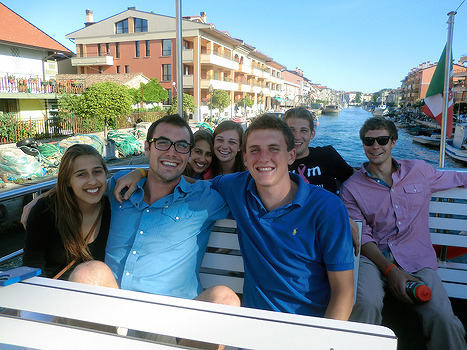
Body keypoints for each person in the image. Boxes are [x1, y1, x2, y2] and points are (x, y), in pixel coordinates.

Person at [116, 114, 354, 320]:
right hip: (251, 326)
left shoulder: (327, 208)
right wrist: (142, 172)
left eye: (274, 149)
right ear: (245, 158)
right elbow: (187, 181)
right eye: (254, 150)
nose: (263, 158)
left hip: (308, 329)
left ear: (291, 156)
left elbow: (343, 292)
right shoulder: (236, 188)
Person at [339, 117, 467, 350]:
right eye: (369, 141)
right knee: (366, 304)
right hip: (373, 258)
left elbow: (458, 177)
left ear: (393, 143)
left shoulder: (419, 171)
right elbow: (363, 236)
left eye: (382, 140)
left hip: (416, 256)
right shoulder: (351, 188)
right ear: (363, 144)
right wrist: (390, 270)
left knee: (444, 318)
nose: (375, 146)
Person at [23, 144, 111, 281]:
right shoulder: (46, 211)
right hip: (55, 293)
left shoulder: (114, 208)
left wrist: (139, 173)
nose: (93, 181)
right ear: (68, 181)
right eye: (81, 174)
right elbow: (33, 265)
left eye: (97, 171)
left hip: (98, 290)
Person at [283, 107, 354, 194]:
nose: (297, 137)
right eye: (291, 130)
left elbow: (355, 179)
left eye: (303, 130)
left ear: (312, 134)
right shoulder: (277, 161)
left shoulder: (327, 155)